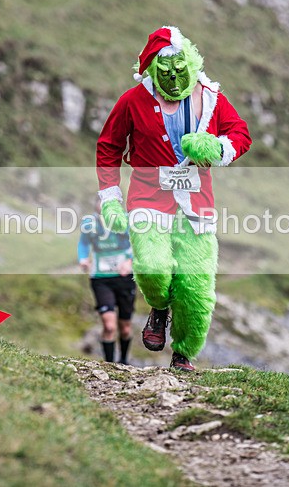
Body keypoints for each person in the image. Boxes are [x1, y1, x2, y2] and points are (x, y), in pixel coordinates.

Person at [96, 26, 252, 371]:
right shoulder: (132, 101)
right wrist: (110, 198)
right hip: (147, 198)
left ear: (191, 64)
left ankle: (183, 354)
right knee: (153, 269)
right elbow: (108, 146)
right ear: (153, 70)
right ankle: (159, 307)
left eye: (181, 71)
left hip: (197, 203)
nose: (174, 78)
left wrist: (217, 148)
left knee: (195, 286)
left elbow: (240, 134)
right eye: (165, 72)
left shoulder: (210, 98)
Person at [78, 197, 136, 364]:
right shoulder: (89, 223)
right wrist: (83, 259)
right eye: (100, 206)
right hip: (101, 279)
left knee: (125, 328)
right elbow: (83, 244)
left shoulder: (126, 220)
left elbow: (139, 243)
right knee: (109, 326)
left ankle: (124, 361)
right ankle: (109, 364)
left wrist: (130, 261)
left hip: (124, 278)